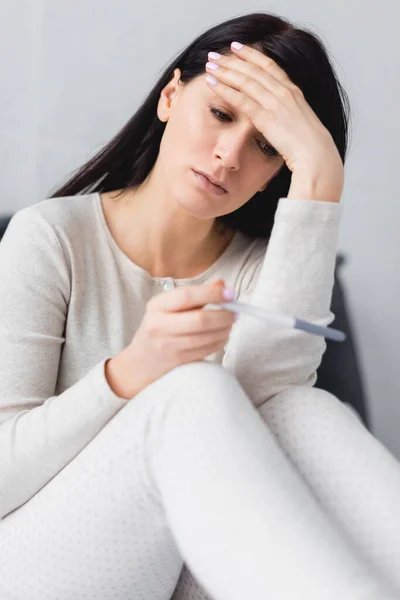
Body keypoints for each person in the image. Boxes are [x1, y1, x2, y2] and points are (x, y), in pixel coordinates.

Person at [0, 10, 400, 600]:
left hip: (188, 575)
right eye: (219, 114)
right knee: (192, 392)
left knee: (304, 412)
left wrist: (321, 174)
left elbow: (272, 411)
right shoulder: (50, 238)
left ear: (278, 173)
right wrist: (127, 376)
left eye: (267, 146)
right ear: (169, 97)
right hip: (33, 565)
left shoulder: (266, 269)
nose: (229, 157)